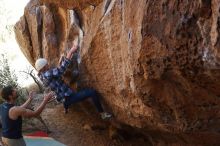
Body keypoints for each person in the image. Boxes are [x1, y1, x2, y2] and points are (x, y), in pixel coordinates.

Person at [35, 44, 112, 119]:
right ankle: (102, 114)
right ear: (44, 67)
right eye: (46, 64)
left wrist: (60, 61)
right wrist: (71, 52)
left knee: (65, 102)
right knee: (92, 92)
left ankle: (66, 107)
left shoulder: (42, 76)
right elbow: (61, 69)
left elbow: (55, 74)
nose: (48, 64)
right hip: (68, 97)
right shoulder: (47, 74)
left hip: (61, 97)